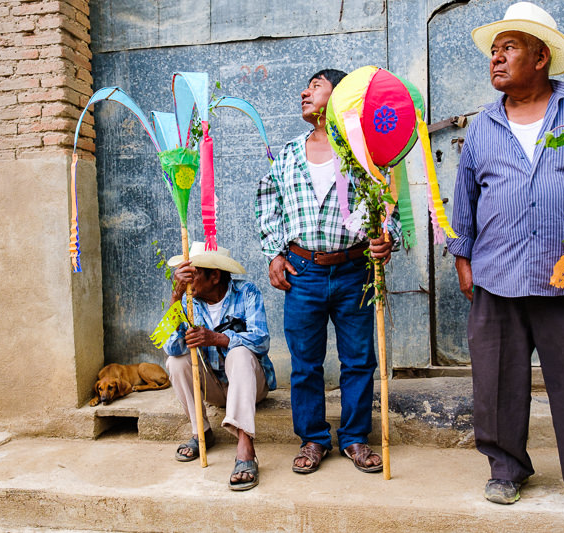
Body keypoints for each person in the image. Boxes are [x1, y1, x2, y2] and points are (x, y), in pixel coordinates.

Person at [447, 2, 564, 522]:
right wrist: (462, 259)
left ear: (541, 56)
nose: (496, 60)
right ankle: (505, 469)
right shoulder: (484, 124)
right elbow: (465, 198)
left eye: (509, 49)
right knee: (497, 381)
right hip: (496, 275)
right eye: (494, 51)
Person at [255, 68, 398, 474]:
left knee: (358, 360)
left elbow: (389, 207)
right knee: (305, 363)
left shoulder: (361, 152)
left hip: (355, 271)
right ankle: (313, 438)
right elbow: (269, 204)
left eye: (315, 86)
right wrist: (274, 254)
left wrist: (386, 238)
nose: (305, 92)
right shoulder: (286, 155)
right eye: (306, 86)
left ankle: (354, 438)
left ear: (338, 97)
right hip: (302, 273)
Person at [162, 241, 275, 491]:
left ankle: (245, 447)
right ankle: (200, 432)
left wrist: (217, 338)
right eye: (184, 276)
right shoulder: (187, 301)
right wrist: (175, 297)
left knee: (241, 353)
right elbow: (169, 346)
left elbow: (262, 339)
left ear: (214, 276)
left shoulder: (247, 293)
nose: (187, 281)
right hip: (213, 387)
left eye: (193, 275)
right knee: (176, 360)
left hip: (251, 384)